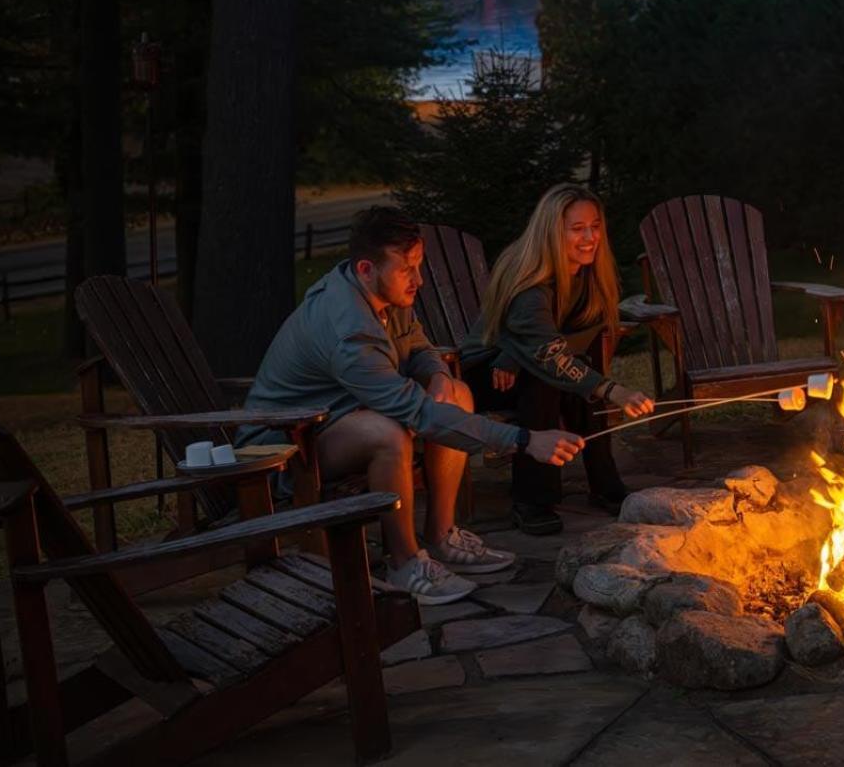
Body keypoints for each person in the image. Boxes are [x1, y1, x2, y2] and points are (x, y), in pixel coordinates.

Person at [238, 206, 585, 605]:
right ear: (367, 268)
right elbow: (417, 414)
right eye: (408, 270)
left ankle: (441, 536)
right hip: (281, 451)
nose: (418, 280)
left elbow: (418, 346)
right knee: (387, 434)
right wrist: (524, 440)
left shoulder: (380, 292)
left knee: (457, 393)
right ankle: (403, 562)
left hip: (332, 422)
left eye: (419, 266)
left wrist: (437, 373)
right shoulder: (349, 332)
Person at [463, 184, 655, 535]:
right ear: (552, 230)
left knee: (572, 376)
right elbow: (547, 353)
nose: (589, 237)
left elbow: (570, 338)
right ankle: (532, 498)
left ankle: (606, 486)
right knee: (547, 380)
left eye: (595, 226)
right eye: (577, 228)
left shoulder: (589, 274)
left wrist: (520, 355)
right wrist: (614, 391)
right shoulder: (528, 282)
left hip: (524, 359)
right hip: (485, 371)